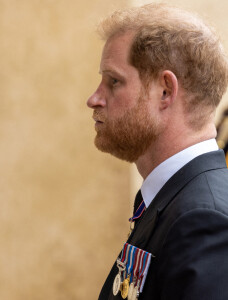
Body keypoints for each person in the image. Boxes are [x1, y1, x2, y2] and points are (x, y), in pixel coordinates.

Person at [86, 3, 228, 300]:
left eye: (114, 81)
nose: (94, 98)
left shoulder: (203, 219)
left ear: (165, 91)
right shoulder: (173, 199)